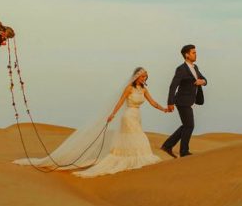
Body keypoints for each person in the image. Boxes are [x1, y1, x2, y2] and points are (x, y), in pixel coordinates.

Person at [13, 67, 170, 177]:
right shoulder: (129, 88)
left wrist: (163, 109)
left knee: (137, 137)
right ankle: (130, 159)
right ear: (137, 76)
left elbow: (152, 102)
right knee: (135, 137)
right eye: (143, 76)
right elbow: (120, 102)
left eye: (146, 77)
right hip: (128, 116)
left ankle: (135, 158)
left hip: (137, 116)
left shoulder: (143, 89)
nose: (145, 78)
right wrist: (112, 115)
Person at [160, 44, 207, 158]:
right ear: (187, 55)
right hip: (181, 101)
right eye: (193, 52)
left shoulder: (195, 68)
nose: (195, 54)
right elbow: (173, 86)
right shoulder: (181, 69)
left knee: (187, 125)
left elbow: (205, 80)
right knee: (189, 125)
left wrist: (202, 82)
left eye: (195, 52)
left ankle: (168, 145)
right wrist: (170, 102)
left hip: (189, 101)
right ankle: (184, 151)